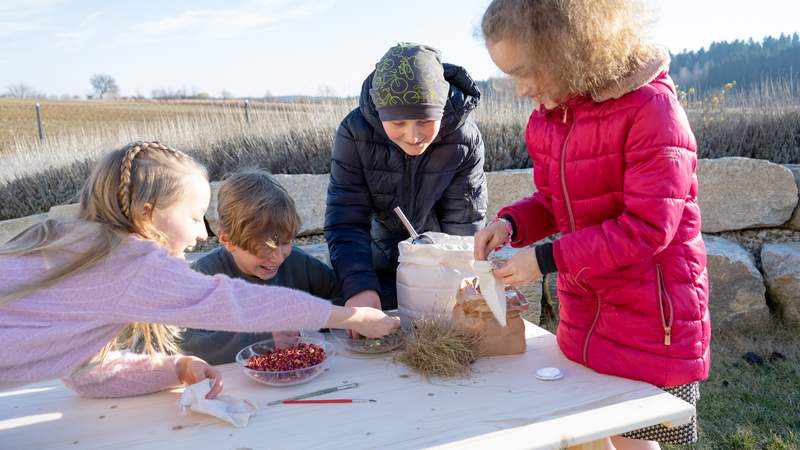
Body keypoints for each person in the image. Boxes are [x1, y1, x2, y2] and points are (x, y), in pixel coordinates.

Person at [474, 1, 709, 448]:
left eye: (526, 71)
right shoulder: (550, 118)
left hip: (649, 319)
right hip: (587, 311)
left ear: (572, 49)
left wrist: (544, 259)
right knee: (584, 432)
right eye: (510, 75)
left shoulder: (651, 108)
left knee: (635, 438)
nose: (520, 88)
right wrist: (510, 224)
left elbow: (647, 228)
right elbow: (552, 201)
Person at [0, 141, 398, 398]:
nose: (201, 232)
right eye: (193, 216)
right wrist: (349, 315)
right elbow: (234, 303)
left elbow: (85, 372)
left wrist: (174, 368)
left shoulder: (73, 243)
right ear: (147, 214)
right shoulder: (130, 263)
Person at [326, 42, 487, 316]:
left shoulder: (464, 139)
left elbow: (464, 223)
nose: (413, 136)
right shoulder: (354, 133)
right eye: (398, 123)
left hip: (440, 275)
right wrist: (359, 287)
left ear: (441, 110)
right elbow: (346, 221)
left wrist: (461, 279)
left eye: (425, 121)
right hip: (374, 271)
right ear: (380, 111)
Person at [182, 169, 342, 365]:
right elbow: (186, 343)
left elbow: (338, 296)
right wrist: (262, 338)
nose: (278, 258)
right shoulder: (204, 277)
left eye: (286, 243)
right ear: (227, 241)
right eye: (264, 251)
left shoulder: (299, 264)